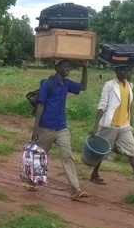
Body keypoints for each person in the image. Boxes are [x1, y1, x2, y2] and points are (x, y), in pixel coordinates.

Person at [89, 65, 134, 193]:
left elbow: (129, 107)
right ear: (116, 71)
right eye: (122, 71)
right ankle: (94, 174)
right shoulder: (109, 85)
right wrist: (95, 126)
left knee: (132, 152)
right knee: (102, 151)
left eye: (127, 70)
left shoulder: (130, 86)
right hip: (109, 125)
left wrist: (131, 125)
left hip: (124, 126)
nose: (125, 73)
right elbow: (102, 105)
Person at [32, 59, 90, 201]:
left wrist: (84, 68)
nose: (68, 68)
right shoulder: (48, 84)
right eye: (65, 66)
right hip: (46, 127)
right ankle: (31, 181)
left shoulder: (67, 83)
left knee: (67, 156)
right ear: (56, 67)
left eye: (69, 66)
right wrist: (36, 129)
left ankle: (75, 190)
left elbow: (82, 87)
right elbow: (40, 106)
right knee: (39, 156)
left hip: (61, 128)